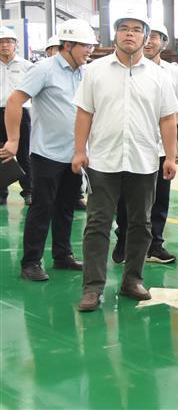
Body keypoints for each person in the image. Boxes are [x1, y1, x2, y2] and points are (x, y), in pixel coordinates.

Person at [73, 8, 178, 312]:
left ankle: (132, 280)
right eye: (124, 28)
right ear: (115, 35)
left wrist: (170, 156)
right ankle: (92, 288)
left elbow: (168, 119)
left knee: (141, 224)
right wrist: (79, 151)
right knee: (97, 224)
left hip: (144, 160)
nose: (129, 34)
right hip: (103, 161)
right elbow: (84, 113)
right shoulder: (95, 71)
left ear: (145, 37)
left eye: (136, 29)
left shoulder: (159, 76)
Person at [2, 19, 96, 281]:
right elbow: (15, 101)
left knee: (66, 206)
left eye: (91, 45)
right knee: (42, 207)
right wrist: (13, 140)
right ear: (68, 45)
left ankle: (62, 255)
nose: (89, 50)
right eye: (85, 45)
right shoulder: (44, 69)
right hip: (47, 154)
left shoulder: (86, 72)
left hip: (76, 153)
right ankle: (31, 262)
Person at [112, 21, 178, 265]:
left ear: (162, 42)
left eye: (156, 36)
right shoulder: (125, 69)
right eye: (149, 35)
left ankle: (155, 245)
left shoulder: (171, 72)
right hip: (133, 145)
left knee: (160, 199)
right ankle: (124, 241)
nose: (151, 41)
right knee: (126, 198)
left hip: (162, 146)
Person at [0, 25, 33, 206]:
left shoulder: (27, 66)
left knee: (23, 154)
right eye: (1, 42)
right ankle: (1, 193)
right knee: (0, 154)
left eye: (8, 42)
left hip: (21, 113)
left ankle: (29, 191)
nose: (5, 45)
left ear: (15, 45)